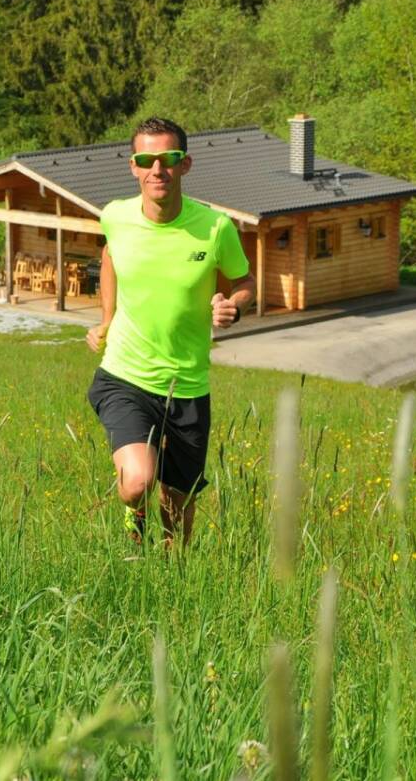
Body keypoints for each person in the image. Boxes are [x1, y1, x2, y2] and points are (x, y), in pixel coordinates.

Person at [85, 116, 255, 547]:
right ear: (134, 166)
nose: (157, 169)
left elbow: (245, 283)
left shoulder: (216, 229)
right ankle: (133, 515)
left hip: (188, 387)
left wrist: (232, 306)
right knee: (138, 481)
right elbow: (109, 258)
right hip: (126, 377)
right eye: (147, 159)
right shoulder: (116, 218)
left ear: (186, 164)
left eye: (168, 158)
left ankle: (169, 579)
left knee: (178, 515)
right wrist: (107, 318)